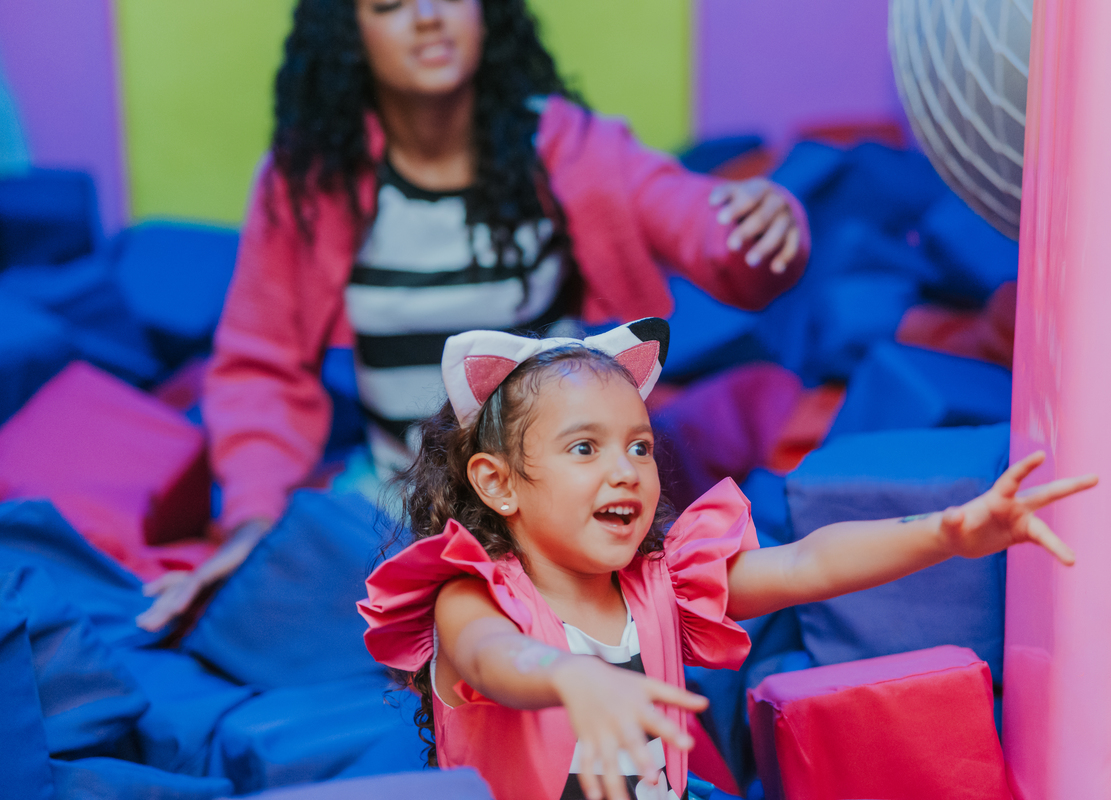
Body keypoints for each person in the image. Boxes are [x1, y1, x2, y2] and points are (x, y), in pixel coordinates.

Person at [136, 0, 809, 632]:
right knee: (259, 623)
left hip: (562, 501)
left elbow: (707, 231)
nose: (427, 19)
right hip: (402, 505)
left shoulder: (568, 149)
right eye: (391, 5)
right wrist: (255, 524)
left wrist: (760, 228)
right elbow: (261, 366)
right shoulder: (312, 180)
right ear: (349, 33)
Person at [357, 319, 1097, 800]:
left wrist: (944, 532)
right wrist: (570, 675)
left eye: (639, 447)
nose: (625, 472)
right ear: (498, 482)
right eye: (585, 448)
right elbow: (493, 660)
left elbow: (808, 565)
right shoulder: (474, 595)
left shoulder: (660, 585)